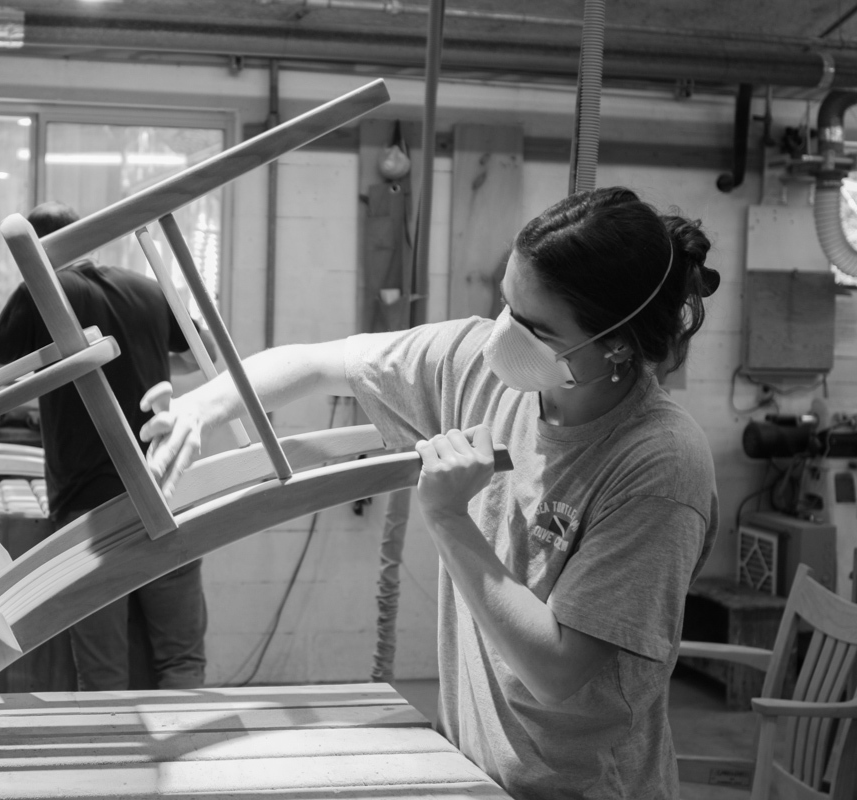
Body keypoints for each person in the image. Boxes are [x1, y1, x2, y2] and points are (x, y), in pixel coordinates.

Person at [140, 187, 721, 798]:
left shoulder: (659, 464)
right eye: (505, 304)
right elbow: (320, 362)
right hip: (475, 769)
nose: (502, 336)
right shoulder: (477, 366)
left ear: (617, 343)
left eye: (535, 327)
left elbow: (557, 669)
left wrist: (448, 518)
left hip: (582, 787)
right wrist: (199, 408)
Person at [0, 200, 212, 691]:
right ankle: (186, 763)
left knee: (103, 671)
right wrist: (150, 357)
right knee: (181, 660)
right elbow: (204, 354)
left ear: (32, 249)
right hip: (167, 490)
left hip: (91, 509)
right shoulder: (145, 286)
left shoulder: (42, 292)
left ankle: (110, 762)